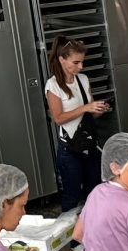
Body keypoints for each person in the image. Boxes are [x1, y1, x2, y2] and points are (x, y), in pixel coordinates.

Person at [45, 36, 109, 212]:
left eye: (82, 62)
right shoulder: (53, 85)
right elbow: (58, 118)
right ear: (62, 59)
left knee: (94, 192)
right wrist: (85, 107)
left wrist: (99, 109)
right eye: (76, 62)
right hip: (69, 150)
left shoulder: (83, 79)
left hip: (88, 144)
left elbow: (91, 113)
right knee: (72, 196)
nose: (81, 67)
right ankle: (70, 229)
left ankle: (93, 226)